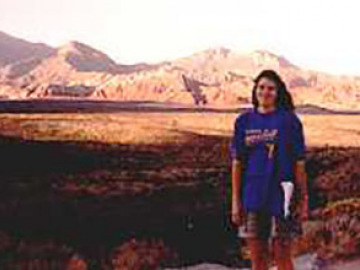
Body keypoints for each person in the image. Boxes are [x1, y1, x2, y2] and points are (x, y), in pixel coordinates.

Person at [229, 69, 309, 270]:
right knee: (258, 258)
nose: (265, 92)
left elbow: (299, 163)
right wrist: (236, 202)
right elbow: (237, 163)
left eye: (271, 88)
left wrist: (303, 200)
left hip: (283, 197)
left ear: (278, 92)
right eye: (261, 87)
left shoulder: (290, 121)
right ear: (255, 90)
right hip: (253, 196)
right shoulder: (243, 122)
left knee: (282, 255)